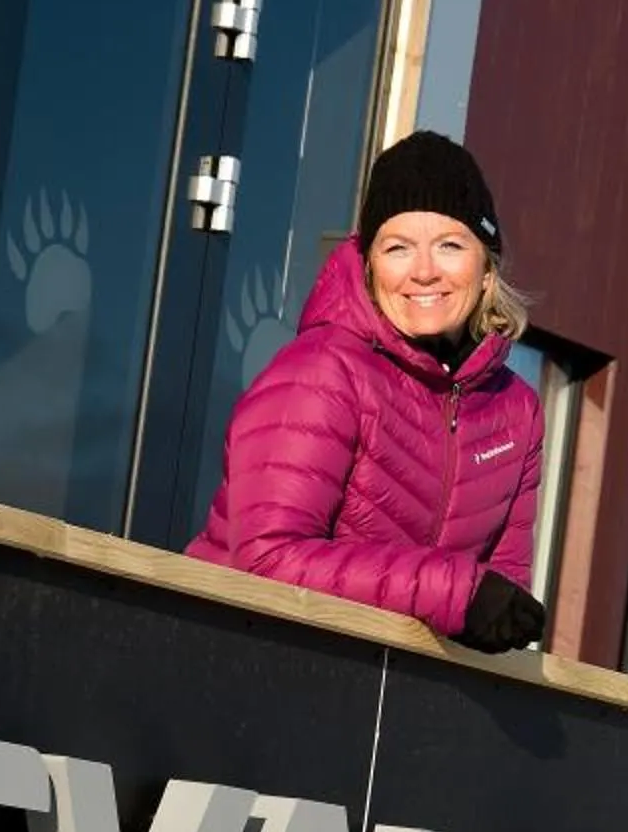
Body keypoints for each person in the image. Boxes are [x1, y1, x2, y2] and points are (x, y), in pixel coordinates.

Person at [187, 131, 548, 653]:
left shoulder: (516, 411)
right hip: (233, 658)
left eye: (449, 245)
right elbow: (266, 560)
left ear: (487, 268)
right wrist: (453, 593)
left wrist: (490, 615)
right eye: (398, 248)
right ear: (370, 265)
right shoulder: (322, 371)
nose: (424, 271)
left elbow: (501, 594)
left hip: (375, 691)